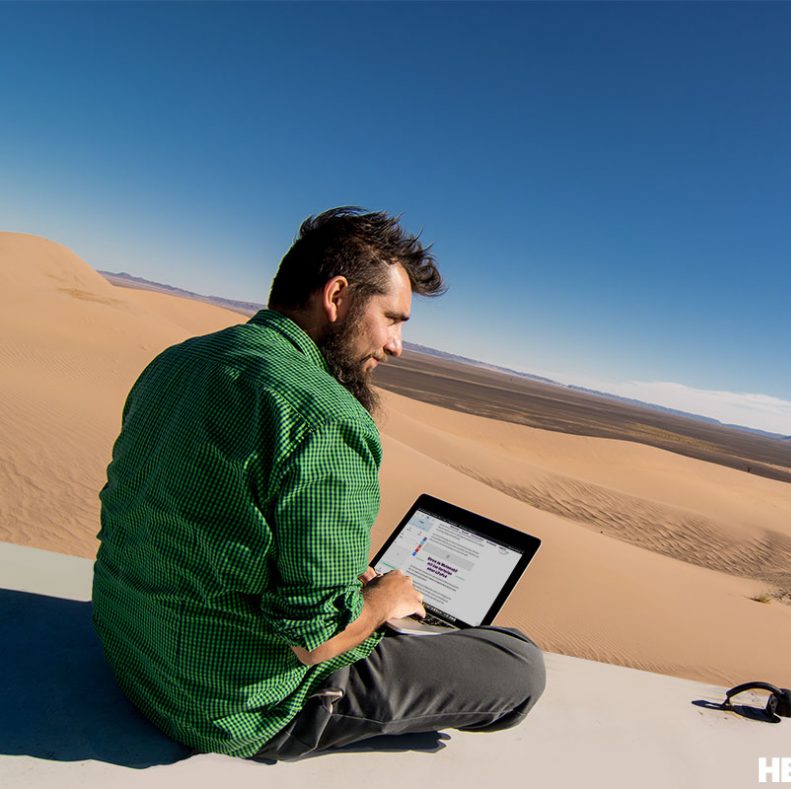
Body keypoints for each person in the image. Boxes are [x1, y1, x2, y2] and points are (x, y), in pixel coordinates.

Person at [93, 207, 546, 761]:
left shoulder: (180, 360)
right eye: (393, 319)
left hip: (130, 649)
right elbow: (313, 644)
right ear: (337, 297)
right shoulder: (326, 418)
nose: (397, 345)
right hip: (222, 703)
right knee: (518, 662)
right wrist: (381, 602)